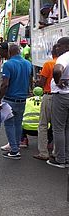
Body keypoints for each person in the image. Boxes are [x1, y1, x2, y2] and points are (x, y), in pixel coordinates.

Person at [0, 43, 32, 160]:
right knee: (18, 124)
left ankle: (14, 150)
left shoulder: (8, 64)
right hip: (22, 99)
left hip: (10, 99)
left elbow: (5, 84)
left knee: (9, 125)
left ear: (10, 52)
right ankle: (16, 147)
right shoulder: (28, 64)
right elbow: (30, 80)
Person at [33, 44, 60, 160]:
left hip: (49, 95)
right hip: (62, 97)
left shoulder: (48, 64)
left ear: (52, 53)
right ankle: (57, 151)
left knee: (43, 125)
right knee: (59, 127)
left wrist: (36, 82)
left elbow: (42, 82)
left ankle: (43, 152)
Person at [48, 37, 69, 168]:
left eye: (59, 46)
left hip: (62, 96)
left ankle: (60, 159)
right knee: (67, 127)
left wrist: (57, 81)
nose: (57, 48)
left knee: (58, 128)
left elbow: (57, 70)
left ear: (66, 46)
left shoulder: (63, 58)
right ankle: (66, 156)